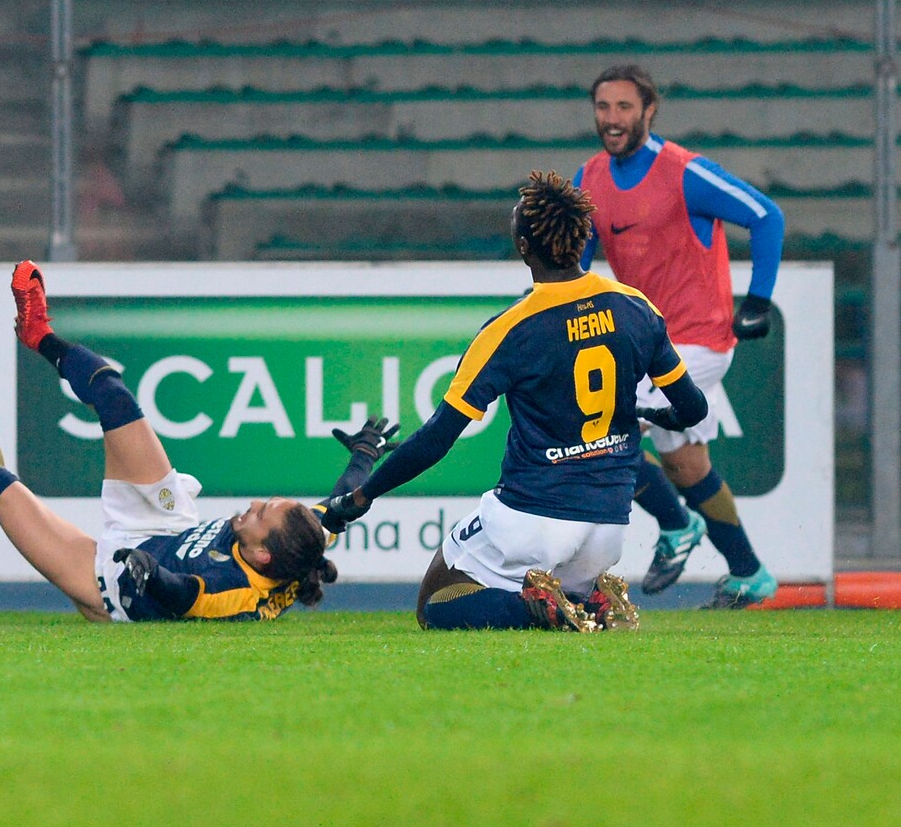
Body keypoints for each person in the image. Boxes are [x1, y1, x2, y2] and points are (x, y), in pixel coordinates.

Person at [0, 260, 398, 623]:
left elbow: (183, 595)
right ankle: (38, 332)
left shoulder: (238, 593)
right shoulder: (302, 540)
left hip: (112, 583)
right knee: (114, 396)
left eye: (261, 513)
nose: (254, 504)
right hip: (164, 521)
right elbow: (342, 503)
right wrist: (364, 452)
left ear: (263, 556)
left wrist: (149, 572)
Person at [322, 171, 709, 632]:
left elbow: (436, 440)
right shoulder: (635, 306)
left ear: (525, 247)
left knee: (436, 602)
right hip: (609, 527)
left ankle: (543, 609)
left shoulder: (510, 329)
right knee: (545, 581)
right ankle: (589, 602)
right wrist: (657, 414)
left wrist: (363, 495)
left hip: (531, 518)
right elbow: (694, 410)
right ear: (582, 237)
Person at [573, 64, 784, 608]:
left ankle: (675, 525)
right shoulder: (590, 177)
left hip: (698, 340)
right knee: (686, 465)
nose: (612, 118)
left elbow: (766, 216)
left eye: (624, 107)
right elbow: (577, 257)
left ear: (649, 110)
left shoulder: (685, 171)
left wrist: (758, 299)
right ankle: (750, 574)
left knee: (603, 430)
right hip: (647, 344)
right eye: (603, 107)